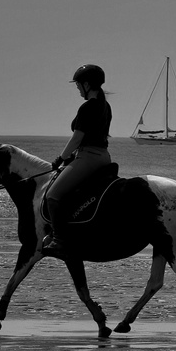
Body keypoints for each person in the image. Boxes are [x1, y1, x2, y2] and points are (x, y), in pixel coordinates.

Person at [41, 64, 114, 248]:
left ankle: (59, 239)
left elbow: (77, 138)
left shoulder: (87, 107)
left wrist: (60, 158)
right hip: (104, 157)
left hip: (88, 157)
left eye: (78, 86)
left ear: (87, 85)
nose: (78, 90)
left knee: (52, 195)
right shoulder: (106, 106)